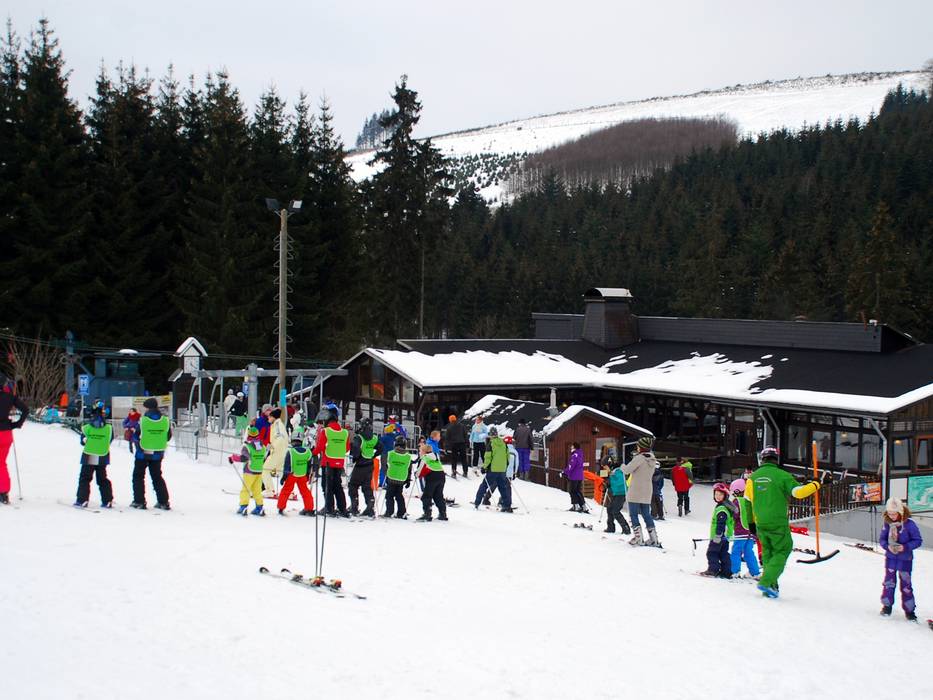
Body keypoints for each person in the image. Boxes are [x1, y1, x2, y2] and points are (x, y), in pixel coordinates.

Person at [748, 446, 820, 598]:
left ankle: (771, 587)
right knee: (783, 549)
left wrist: (751, 523)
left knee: (768, 552)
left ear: (762, 459)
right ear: (776, 459)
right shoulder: (782, 475)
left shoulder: (752, 478)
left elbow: (747, 502)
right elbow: (799, 493)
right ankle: (766, 581)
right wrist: (815, 485)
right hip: (777, 521)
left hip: (760, 522)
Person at [879, 497, 922, 620]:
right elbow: (882, 539)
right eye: (889, 514)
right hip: (891, 559)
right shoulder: (887, 524)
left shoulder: (909, 524)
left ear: (900, 512)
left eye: (894, 514)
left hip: (905, 560)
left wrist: (905, 547)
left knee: (906, 586)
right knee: (889, 583)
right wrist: (887, 547)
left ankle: (910, 611)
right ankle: (887, 606)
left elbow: (918, 540)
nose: (892, 516)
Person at [131, 398, 172, 510]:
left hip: (142, 452)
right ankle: (163, 502)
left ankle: (139, 501)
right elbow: (168, 436)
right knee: (157, 476)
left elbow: (136, 435)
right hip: (158, 453)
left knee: (138, 476)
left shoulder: (143, 420)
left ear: (147, 407)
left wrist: (138, 442)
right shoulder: (165, 420)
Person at [621, 436, 660, 547]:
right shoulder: (652, 459)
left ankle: (638, 538)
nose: (637, 447)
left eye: (638, 446)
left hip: (636, 490)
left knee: (633, 514)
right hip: (647, 490)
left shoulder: (639, 458)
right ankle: (654, 539)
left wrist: (621, 465)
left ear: (641, 447)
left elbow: (627, 470)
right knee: (646, 514)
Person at [75, 401, 114, 508]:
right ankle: (107, 500)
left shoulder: (87, 427)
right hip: (103, 455)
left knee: (85, 478)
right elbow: (110, 440)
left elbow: (83, 442)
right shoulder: (109, 428)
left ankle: (82, 500)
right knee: (102, 478)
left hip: (89, 455)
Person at [312, 407, 350, 516]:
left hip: (327, 462)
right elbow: (347, 448)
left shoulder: (326, 431)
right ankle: (342, 508)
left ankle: (329, 508)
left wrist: (313, 452)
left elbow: (320, 447)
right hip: (339, 462)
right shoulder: (345, 432)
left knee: (327, 486)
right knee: (338, 486)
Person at [0, 373, 28, 504]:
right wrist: (17, 424)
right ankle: (3, 493)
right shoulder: (10, 396)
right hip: (6, 434)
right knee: (1, 463)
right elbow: (25, 410)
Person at [700, 482, 736, 578]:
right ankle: (726, 572)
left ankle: (713, 570)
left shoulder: (722, 509)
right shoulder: (726, 506)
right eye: (716, 494)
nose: (718, 496)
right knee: (723, 553)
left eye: (720, 494)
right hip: (725, 536)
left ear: (725, 496)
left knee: (712, 552)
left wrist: (718, 536)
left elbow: (721, 524)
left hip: (719, 536)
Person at [472, 427, 513, 512]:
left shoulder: (491, 444)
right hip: (502, 469)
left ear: (490, 435)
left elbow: (488, 457)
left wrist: (484, 467)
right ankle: (507, 505)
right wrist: (505, 466)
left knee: (484, 485)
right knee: (503, 488)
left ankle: (477, 502)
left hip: (493, 469)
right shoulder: (503, 443)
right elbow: (507, 456)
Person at [228, 426, 266, 516]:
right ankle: (259, 507)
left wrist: (233, 458)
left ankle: (243, 506)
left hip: (249, 471)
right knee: (257, 490)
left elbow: (244, 458)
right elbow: (263, 458)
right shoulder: (263, 447)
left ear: (249, 435)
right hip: (259, 471)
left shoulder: (247, 447)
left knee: (246, 489)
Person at [277, 434, 314, 516]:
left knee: (286, 491)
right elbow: (309, 464)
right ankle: (309, 508)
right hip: (302, 475)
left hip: (292, 475)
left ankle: (281, 507)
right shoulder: (308, 451)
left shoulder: (290, 452)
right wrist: (308, 475)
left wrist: (284, 477)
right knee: (305, 491)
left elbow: (287, 465)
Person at [729, 478, 760, 578]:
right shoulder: (751, 501)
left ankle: (735, 571)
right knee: (748, 552)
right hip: (751, 532)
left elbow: (734, 515)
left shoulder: (736, 502)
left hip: (740, 532)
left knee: (736, 551)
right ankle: (755, 572)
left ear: (737, 491)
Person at [348, 418, 378, 517]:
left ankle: (354, 506)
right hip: (370, 464)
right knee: (367, 487)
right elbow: (380, 447)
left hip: (360, 464)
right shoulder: (374, 437)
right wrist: (374, 455)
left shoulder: (359, 437)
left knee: (353, 485)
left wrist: (355, 458)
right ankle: (370, 506)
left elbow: (356, 449)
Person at [417, 442, 448, 521]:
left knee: (427, 496)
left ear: (424, 452)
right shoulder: (436, 455)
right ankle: (443, 513)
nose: (420, 453)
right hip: (441, 475)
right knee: (438, 496)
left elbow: (419, 471)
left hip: (432, 477)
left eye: (420, 451)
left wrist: (416, 474)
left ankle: (427, 514)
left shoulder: (424, 458)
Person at [383, 436, 412, 519]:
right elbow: (409, 469)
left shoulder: (391, 453)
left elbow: (385, 465)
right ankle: (401, 512)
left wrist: (385, 473)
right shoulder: (408, 456)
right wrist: (408, 479)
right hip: (401, 478)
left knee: (389, 496)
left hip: (391, 477)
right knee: (399, 495)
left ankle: (389, 512)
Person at [262, 408, 289, 497]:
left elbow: (280, 437)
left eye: (270, 416)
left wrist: (273, 447)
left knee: (265, 469)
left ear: (273, 417)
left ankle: (270, 490)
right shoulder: (278, 424)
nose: (268, 418)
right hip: (282, 451)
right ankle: (289, 492)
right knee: (281, 472)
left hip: (277, 452)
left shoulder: (277, 425)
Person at [604, 458, 631, 535]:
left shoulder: (618, 471)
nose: (605, 468)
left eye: (605, 466)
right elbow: (612, 481)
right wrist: (607, 483)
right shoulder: (612, 472)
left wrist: (611, 481)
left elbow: (620, 482)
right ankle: (611, 527)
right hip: (615, 493)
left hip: (621, 493)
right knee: (609, 508)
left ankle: (626, 528)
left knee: (615, 511)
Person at [563, 442, 588, 513]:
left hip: (574, 476)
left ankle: (575, 506)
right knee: (578, 491)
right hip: (580, 476)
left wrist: (564, 472)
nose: (571, 447)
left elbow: (571, 466)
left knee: (572, 491)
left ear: (574, 447)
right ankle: (583, 506)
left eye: (572, 446)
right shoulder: (580, 454)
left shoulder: (575, 455)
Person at [444, 414, 468, 478]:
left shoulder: (449, 428)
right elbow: (465, 435)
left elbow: (447, 439)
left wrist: (446, 448)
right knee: (464, 458)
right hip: (462, 444)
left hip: (454, 445)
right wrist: (467, 444)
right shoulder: (462, 426)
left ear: (450, 420)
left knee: (454, 459)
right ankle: (465, 472)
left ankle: (454, 472)